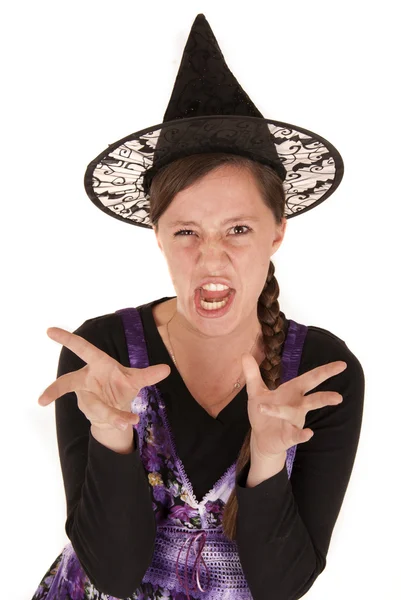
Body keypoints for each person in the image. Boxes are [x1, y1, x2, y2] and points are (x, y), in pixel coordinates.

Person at [31, 13, 365, 600]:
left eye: (238, 228)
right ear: (157, 234)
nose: (211, 258)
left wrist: (265, 459)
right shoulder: (105, 356)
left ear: (278, 232)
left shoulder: (318, 374)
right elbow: (111, 573)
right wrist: (111, 436)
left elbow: (280, 587)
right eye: (186, 231)